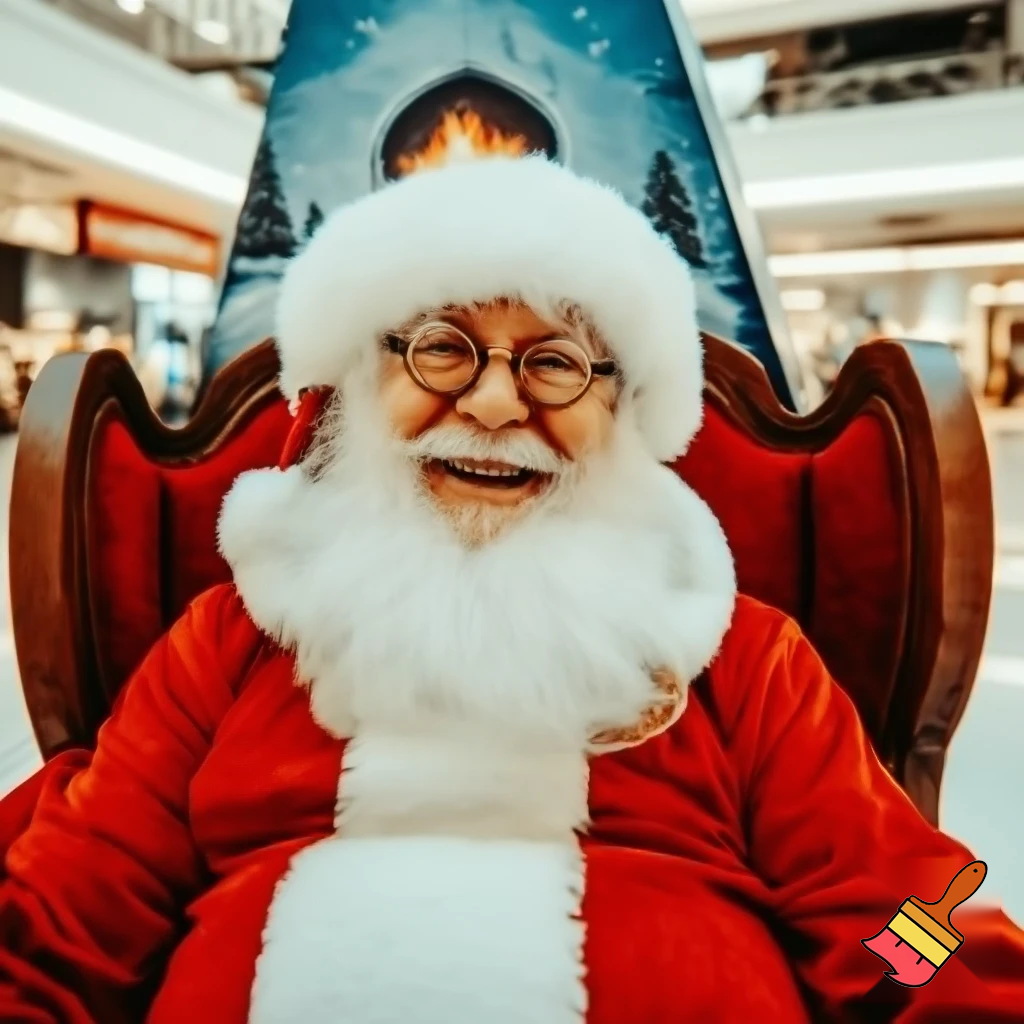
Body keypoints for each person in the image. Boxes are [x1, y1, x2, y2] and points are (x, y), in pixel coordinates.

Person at [1, 156, 1022, 1023]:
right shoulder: (232, 639)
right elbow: (68, 911)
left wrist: (927, 991)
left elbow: (904, 910)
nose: (492, 404)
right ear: (361, 379)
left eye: (556, 364)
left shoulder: (742, 655)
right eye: (440, 348)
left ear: (624, 406)